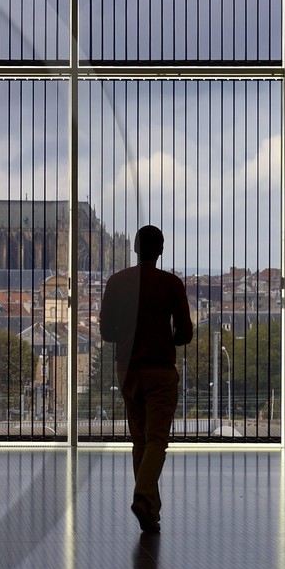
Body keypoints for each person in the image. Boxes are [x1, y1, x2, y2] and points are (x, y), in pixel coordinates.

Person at [98, 225, 194, 534]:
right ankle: (143, 496)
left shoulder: (116, 282)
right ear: (161, 250)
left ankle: (150, 509)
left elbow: (105, 331)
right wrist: (170, 338)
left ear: (135, 248)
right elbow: (185, 333)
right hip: (160, 370)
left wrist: (126, 337)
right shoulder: (170, 283)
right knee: (157, 440)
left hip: (128, 371)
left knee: (139, 440)